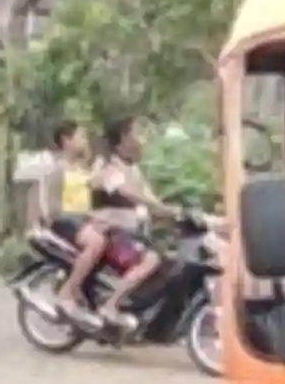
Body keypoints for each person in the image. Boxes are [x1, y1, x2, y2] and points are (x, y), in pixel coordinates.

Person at [89, 115, 180, 330]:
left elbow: (149, 197)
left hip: (133, 232)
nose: (141, 138)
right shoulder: (107, 164)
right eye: (136, 133)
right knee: (151, 259)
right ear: (124, 138)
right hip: (112, 233)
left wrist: (175, 212)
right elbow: (127, 192)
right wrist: (158, 208)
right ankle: (110, 305)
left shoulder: (132, 168)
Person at [38, 120, 108, 328]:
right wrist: (85, 217)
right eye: (81, 137)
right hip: (64, 222)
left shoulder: (81, 168)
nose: (85, 141)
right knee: (96, 242)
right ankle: (67, 292)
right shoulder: (57, 170)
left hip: (81, 221)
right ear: (66, 141)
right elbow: (52, 209)